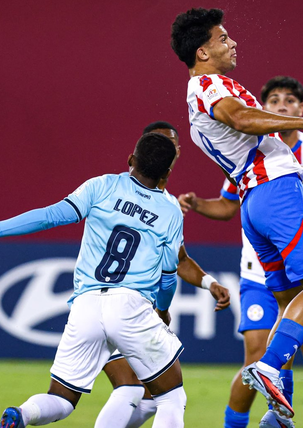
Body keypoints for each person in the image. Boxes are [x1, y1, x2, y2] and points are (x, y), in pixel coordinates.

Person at [170, 7, 303, 421]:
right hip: (276, 196)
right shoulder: (208, 85)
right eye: (223, 38)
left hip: (256, 201)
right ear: (203, 52)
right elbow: (242, 120)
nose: (232, 43)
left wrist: (299, 168)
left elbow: (245, 148)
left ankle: (277, 412)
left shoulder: (204, 91)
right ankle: (265, 368)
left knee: (291, 303)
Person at [0, 132, 188, 428]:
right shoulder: (170, 212)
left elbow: (50, 216)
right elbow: (168, 275)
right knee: (169, 398)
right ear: (167, 173)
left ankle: (21, 414)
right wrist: (163, 310)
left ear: (130, 160)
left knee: (62, 400)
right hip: (131, 305)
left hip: (86, 305)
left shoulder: (101, 186)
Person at [98, 121, 231, 428]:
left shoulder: (165, 204)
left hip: (117, 307)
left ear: (177, 154)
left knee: (146, 397)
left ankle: (27, 413)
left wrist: (209, 283)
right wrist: (162, 307)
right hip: (124, 305)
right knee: (148, 391)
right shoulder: (122, 191)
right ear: (138, 151)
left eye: (168, 145)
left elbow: (179, 260)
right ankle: (27, 413)